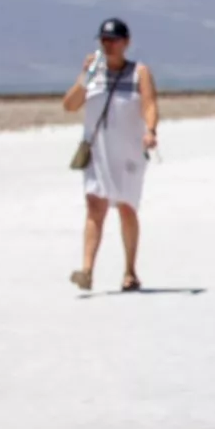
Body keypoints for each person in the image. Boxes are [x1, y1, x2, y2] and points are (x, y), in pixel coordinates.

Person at [61, 17, 158, 292]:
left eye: (113, 40)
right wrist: (85, 77)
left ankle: (130, 271)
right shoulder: (93, 73)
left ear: (126, 42)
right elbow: (70, 105)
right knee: (95, 205)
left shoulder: (140, 72)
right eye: (104, 40)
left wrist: (150, 129)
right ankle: (87, 270)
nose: (108, 45)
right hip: (97, 151)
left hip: (128, 152)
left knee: (126, 207)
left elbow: (150, 104)